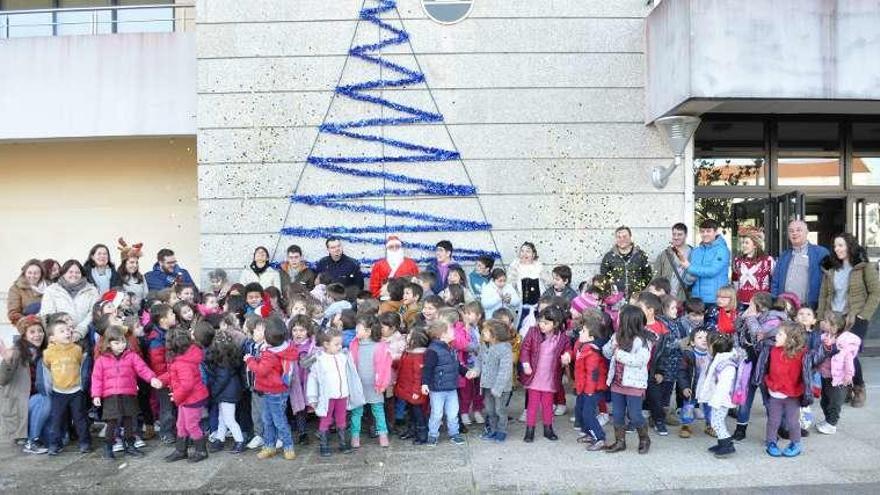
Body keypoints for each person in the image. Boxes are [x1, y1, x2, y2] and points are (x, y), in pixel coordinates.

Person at [816, 233, 879, 408]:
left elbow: (876, 292)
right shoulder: (830, 268)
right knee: (835, 353)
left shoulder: (863, 266)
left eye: (841, 245)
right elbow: (824, 295)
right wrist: (821, 317)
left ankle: (859, 387)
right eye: (835, 246)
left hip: (855, 317)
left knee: (849, 352)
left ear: (850, 246)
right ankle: (845, 388)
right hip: (834, 318)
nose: (837, 249)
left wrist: (863, 315)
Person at [91, 325, 163, 460]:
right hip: (110, 395)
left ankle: (130, 445)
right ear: (108, 343)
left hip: (128, 393)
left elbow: (142, 369)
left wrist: (152, 378)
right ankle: (108, 448)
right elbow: (96, 378)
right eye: (116, 343)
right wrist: (96, 394)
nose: (121, 345)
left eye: (123, 341)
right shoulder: (101, 360)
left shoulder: (131, 356)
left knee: (130, 421)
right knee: (112, 423)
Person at [753, 322, 816, 458]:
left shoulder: (802, 354)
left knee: (793, 422)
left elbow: (817, 359)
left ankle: (796, 443)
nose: (776, 336)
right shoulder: (771, 349)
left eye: (780, 334)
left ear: (791, 339)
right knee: (773, 421)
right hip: (774, 393)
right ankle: (771, 442)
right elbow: (760, 350)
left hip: (792, 395)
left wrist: (828, 346)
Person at [244, 316, 299, 461]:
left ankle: (288, 446)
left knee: (277, 421)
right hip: (273, 390)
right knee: (268, 419)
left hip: (274, 392)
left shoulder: (270, 353)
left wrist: (250, 360)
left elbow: (261, 370)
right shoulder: (282, 348)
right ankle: (270, 446)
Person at [603, 305, 654, 454]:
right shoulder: (616, 336)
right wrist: (611, 347)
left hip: (634, 384)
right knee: (617, 414)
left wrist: (618, 354)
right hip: (617, 383)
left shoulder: (643, 341)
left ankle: (644, 438)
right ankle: (620, 441)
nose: (617, 319)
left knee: (635, 414)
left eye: (620, 317)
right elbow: (606, 353)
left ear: (627, 321)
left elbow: (640, 361)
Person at [519, 306, 570, 443]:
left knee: (548, 405)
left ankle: (548, 428)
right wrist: (525, 363)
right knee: (532, 405)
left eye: (546, 323)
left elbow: (568, 349)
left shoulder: (562, 337)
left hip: (550, 376)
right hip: (534, 376)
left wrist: (567, 355)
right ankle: (530, 429)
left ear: (556, 324)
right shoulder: (533, 332)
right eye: (541, 321)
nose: (542, 325)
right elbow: (525, 349)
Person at [307, 330, 362, 457]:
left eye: (340, 344)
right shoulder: (319, 360)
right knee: (326, 419)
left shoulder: (343, 357)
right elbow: (312, 380)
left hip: (343, 394)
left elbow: (351, 373)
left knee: (342, 419)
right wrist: (312, 397)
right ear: (326, 344)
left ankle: (342, 443)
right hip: (328, 396)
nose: (340, 347)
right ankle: (324, 444)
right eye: (336, 344)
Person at [0, 315, 50, 454]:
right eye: (32, 332)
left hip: (38, 402)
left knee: (58, 440)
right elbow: (2, 379)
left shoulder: (45, 352)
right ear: (24, 335)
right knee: (43, 399)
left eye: (40, 331)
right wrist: (7, 361)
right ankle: (32, 440)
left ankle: (34, 434)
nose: (37, 335)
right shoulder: (16, 352)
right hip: (21, 403)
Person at [43, 315, 92, 455]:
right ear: (52, 338)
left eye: (68, 330)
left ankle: (85, 442)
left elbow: (80, 364)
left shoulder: (76, 349)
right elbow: (46, 368)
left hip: (76, 391)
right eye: (62, 331)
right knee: (57, 419)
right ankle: (55, 444)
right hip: (58, 392)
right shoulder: (48, 353)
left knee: (80, 418)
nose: (67, 333)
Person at [164, 323, 212, 463]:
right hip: (187, 398)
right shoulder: (184, 357)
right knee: (181, 424)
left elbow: (187, 385)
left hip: (192, 399)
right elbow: (174, 375)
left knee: (191, 425)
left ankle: (201, 451)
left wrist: (176, 396)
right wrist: (161, 380)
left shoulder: (182, 361)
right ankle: (181, 450)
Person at [348, 314, 393, 448]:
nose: (356, 330)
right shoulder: (354, 344)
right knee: (356, 412)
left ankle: (383, 435)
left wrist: (383, 384)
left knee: (378, 410)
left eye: (359, 328)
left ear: (368, 331)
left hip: (375, 385)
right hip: (358, 385)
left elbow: (386, 367)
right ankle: (355, 436)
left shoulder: (381, 346)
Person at [465, 319, 513, 443]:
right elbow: (479, 361)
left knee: (499, 410)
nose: (482, 333)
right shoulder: (484, 346)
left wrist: (498, 388)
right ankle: (493, 430)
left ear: (495, 335)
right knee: (490, 410)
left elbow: (505, 371)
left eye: (485, 332)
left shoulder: (504, 349)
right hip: (487, 385)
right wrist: (476, 371)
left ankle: (501, 431)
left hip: (501, 388)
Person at [422, 318, 467, 446]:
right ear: (442, 334)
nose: (453, 331)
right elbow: (427, 369)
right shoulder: (433, 351)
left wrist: (466, 372)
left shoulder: (450, 348)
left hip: (451, 387)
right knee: (437, 413)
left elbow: (456, 365)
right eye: (450, 330)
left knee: (453, 413)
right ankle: (432, 434)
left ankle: (454, 433)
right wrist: (424, 383)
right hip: (437, 389)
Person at [696, 334, 742, 458]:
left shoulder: (726, 365)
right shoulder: (719, 359)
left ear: (715, 347)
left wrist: (716, 400)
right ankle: (722, 443)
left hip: (723, 400)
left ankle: (727, 444)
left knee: (716, 422)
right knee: (716, 421)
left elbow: (724, 386)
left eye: (709, 345)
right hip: (720, 398)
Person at [815, 312, 860, 435]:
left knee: (834, 402)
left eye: (826, 321)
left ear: (834, 327)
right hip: (826, 376)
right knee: (824, 400)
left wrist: (848, 376)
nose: (822, 322)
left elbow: (849, 361)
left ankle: (832, 424)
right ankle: (827, 420)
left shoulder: (844, 343)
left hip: (838, 379)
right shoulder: (825, 337)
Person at [771, 220, 831, 309]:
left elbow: (830, 280)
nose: (794, 233)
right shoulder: (784, 256)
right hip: (785, 308)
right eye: (791, 231)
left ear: (807, 232)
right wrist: (775, 302)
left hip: (810, 310)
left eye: (799, 230)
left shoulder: (821, 253)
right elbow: (775, 282)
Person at [204, 329, 245, 454]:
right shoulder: (230, 357)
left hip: (226, 394)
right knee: (223, 418)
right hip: (229, 393)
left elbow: (221, 380)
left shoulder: (222, 362)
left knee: (228, 419)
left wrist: (213, 392)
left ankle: (239, 441)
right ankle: (219, 439)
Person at [572, 312, 609, 451]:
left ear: (591, 337)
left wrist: (588, 391)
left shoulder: (592, 352)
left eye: (583, 331)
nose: (580, 332)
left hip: (591, 390)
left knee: (588, 413)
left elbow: (592, 375)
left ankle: (600, 438)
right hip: (584, 388)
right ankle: (589, 433)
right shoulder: (584, 348)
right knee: (580, 411)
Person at [39, 260, 100, 341]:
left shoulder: (92, 290)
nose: (74, 275)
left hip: (85, 336)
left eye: (77, 272)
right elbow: (48, 313)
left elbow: (93, 313)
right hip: (59, 337)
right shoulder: (52, 290)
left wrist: (79, 331)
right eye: (70, 272)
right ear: (63, 273)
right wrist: (62, 331)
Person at [677, 219, 730, 308]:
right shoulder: (696, 251)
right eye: (702, 231)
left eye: (708, 231)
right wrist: (688, 277)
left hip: (715, 299)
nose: (705, 234)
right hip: (696, 299)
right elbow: (690, 274)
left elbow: (712, 271)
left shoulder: (722, 250)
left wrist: (689, 267)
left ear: (716, 232)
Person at [394, 325, 430, 444]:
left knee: (418, 414)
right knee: (410, 412)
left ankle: (422, 434)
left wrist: (416, 392)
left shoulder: (418, 356)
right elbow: (402, 365)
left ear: (415, 340)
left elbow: (418, 376)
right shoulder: (408, 352)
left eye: (409, 335)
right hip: (406, 388)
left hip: (414, 391)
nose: (406, 336)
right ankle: (412, 430)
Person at [600, 226, 653, 298]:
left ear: (630, 237)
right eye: (619, 237)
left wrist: (642, 292)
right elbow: (604, 278)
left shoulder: (640, 255)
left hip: (637, 299)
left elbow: (648, 276)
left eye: (624, 236)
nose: (622, 239)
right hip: (616, 300)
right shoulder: (609, 257)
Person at [732, 230, 775, 309]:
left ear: (755, 245)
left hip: (762, 304)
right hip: (742, 303)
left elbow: (774, 281)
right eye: (742, 243)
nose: (743, 245)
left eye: (746, 243)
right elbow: (735, 281)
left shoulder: (768, 260)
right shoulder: (737, 261)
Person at [508, 242, 548, 323]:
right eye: (522, 251)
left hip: (539, 306)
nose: (524, 254)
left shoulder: (539, 267)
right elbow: (510, 286)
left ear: (533, 254)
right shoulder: (515, 267)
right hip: (523, 306)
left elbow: (547, 283)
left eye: (528, 251)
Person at [653, 223, 692, 300]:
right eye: (674, 234)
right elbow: (655, 277)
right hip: (666, 299)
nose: (676, 237)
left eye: (680, 234)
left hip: (684, 299)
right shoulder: (664, 254)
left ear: (686, 235)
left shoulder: (693, 253)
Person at [7, 259, 46, 325]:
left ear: (41, 274)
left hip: (46, 325)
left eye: (36, 273)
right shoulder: (16, 288)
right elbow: (13, 313)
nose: (32, 276)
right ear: (24, 273)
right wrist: (30, 320)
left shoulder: (49, 288)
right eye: (29, 273)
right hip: (27, 326)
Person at [117, 239, 148, 310]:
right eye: (132, 262)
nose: (135, 265)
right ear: (124, 263)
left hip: (139, 313)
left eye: (136, 262)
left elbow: (145, 296)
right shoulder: (117, 277)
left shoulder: (141, 277)